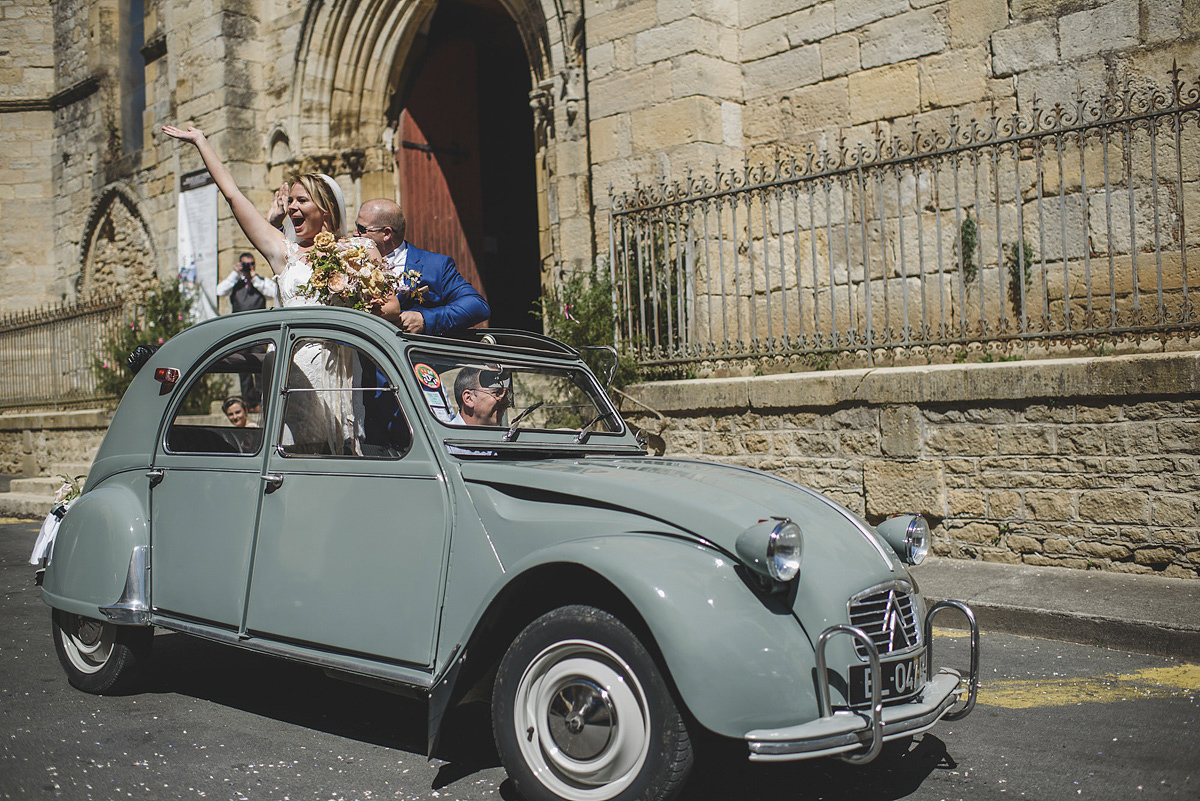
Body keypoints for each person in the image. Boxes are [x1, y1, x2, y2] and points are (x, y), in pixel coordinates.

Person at [161, 125, 375, 452]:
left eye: (302, 200)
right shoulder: (282, 251)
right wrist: (201, 142)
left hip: (336, 362)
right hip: (292, 363)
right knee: (296, 453)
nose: (292, 208)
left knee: (342, 453)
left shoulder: (355, 251)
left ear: (326, 209)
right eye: (290, 201)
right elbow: (234, 196)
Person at [354, 199, 490, 335]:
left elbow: (477, 306)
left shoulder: (435, 266)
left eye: (361, 229)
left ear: (387, 234)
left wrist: (425, 319)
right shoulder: (348, 262)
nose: (355, 233)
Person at [216, 253, 276, 407]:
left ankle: (263, 400)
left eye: (251, 264)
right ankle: (249, 402)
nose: (249, 267)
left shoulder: (261, 282)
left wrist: (254, 278)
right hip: (240, 331)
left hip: (259, 330)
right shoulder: (235, 283)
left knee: (260, 364)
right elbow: (220, 291)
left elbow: (273, 293)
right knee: (241, 364)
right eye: (245, 264)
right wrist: (235, 273)